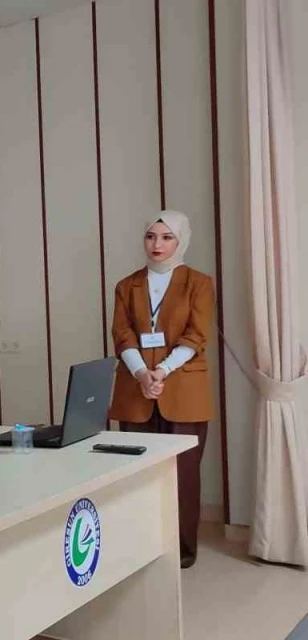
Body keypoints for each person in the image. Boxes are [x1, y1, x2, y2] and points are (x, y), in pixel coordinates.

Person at [109, 210, 214, 569]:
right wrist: (142, 374)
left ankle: (181, 549)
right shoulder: (127, 285)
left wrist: (162, 370)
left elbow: (196, 335)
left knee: (183, 474)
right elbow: (122, 335)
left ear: (181, 240)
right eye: (151, 236)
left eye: (167, 237)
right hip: (136, 389)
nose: (157, 244)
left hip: (183, 390)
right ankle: (140, 548)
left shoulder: (198, 283)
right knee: (137, 474)